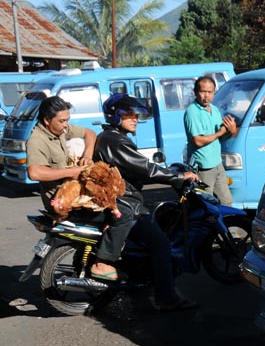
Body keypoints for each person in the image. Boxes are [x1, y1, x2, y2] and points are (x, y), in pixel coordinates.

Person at [93, 93, 200, 311]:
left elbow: (140, 167)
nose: (135, 119)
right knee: (160, 243)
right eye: (129, 115)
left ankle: (140, 278)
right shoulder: (115, 140)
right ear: (115, 117)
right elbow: (146, 168)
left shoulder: (113, 138)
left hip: (125, 198)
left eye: (136, 115)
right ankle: (167, 298)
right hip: (125, 202)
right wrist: (178, 177)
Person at [26, 95, 129, 281]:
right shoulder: (37, 140)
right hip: (63, 202)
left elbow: (89, 133)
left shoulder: (60, 130)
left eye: (67, 120)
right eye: (62, 121)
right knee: (124, 215)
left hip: (77, 193)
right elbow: (35, 173)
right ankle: (102, 263)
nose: (65, 124)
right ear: (47, 120)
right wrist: (69, 173)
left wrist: (87, 155)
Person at [184, 76, 238, 206]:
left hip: (217, 164)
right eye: (203, 91)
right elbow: (198, 141)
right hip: (203, 168)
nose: (206, 96)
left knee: (226, 202)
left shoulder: (214, 110)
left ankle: (226, 226)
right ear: (195, 92)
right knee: (205, 205)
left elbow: (221, 137)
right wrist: (220, 132)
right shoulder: (192, 112)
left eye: (210, 92)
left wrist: (231, 131)